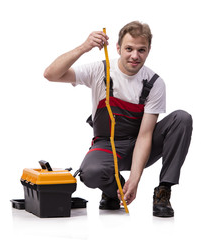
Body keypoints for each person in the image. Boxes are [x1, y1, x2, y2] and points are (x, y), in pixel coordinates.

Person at [43, 21, 193, 217]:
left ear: (148, 51)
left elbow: (145, 135)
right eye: (129, 49)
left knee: (182, 118)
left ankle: (163, 191)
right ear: (118, 48)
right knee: (90, 173)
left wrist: (135, 178)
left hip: (142, 143)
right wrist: (84, 47)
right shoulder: (100, 70)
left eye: (141, 50)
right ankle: (113, 191)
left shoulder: (155, 83)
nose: (134, 56)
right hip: (107, 145)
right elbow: (51, 74)